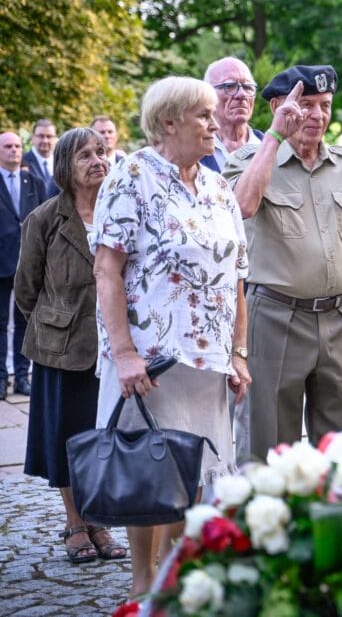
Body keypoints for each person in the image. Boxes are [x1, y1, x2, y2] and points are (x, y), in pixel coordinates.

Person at [91, 76, 251, 596]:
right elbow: (106, 270)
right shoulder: (131, 175)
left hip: (208, 363)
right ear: (169, 122)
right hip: (151, 364)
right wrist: (124, 353)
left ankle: (174, 579)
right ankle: (142, 587)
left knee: (193, 475)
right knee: (148, 474)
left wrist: (239, 354)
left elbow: (238, 277)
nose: (215, 122)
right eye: (204, 114)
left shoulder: (218, 185)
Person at [223, 66, 342, 459]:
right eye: (306, 105)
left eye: (325, 106)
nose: (317, 116)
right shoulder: (247, 161)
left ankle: (332, 519)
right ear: (279, 106)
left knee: (340, 447)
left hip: (341, 320)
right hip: (276, 318)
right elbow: (242, 207)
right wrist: (275, 137)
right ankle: (266, 520)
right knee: (267, 444)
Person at [17, 128, 126, 564]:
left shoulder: (121, 211)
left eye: (102, 151)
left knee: (104, 438)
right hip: (63, 349)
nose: (98, 160)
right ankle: (76, 523)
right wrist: (58, 326)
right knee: (69, 438)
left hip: (114, 345)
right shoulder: (45, 219)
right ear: (66, 165)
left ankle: (99, 520)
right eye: (86, 155)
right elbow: (27, 291)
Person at [1, 131, 47, 398]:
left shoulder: (34, 182)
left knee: (25, 323)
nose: (14, 151)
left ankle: (21, 376)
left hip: (29, 263)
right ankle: (0, 379)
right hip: (2, 262)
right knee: (0, 323)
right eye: (7, 146)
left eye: (17, 146)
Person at [200, 57, 264, 173]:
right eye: (229, 86)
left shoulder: (269, 148)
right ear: (207, 96)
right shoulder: (193, 152)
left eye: (247, 87)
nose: (242, 94)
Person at [23, 119, 57, 191]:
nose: (45, 140)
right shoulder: (22, 162)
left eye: (49, 136)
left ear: (54, 138)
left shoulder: (61, 162)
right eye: (41, 136)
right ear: (33, 138)